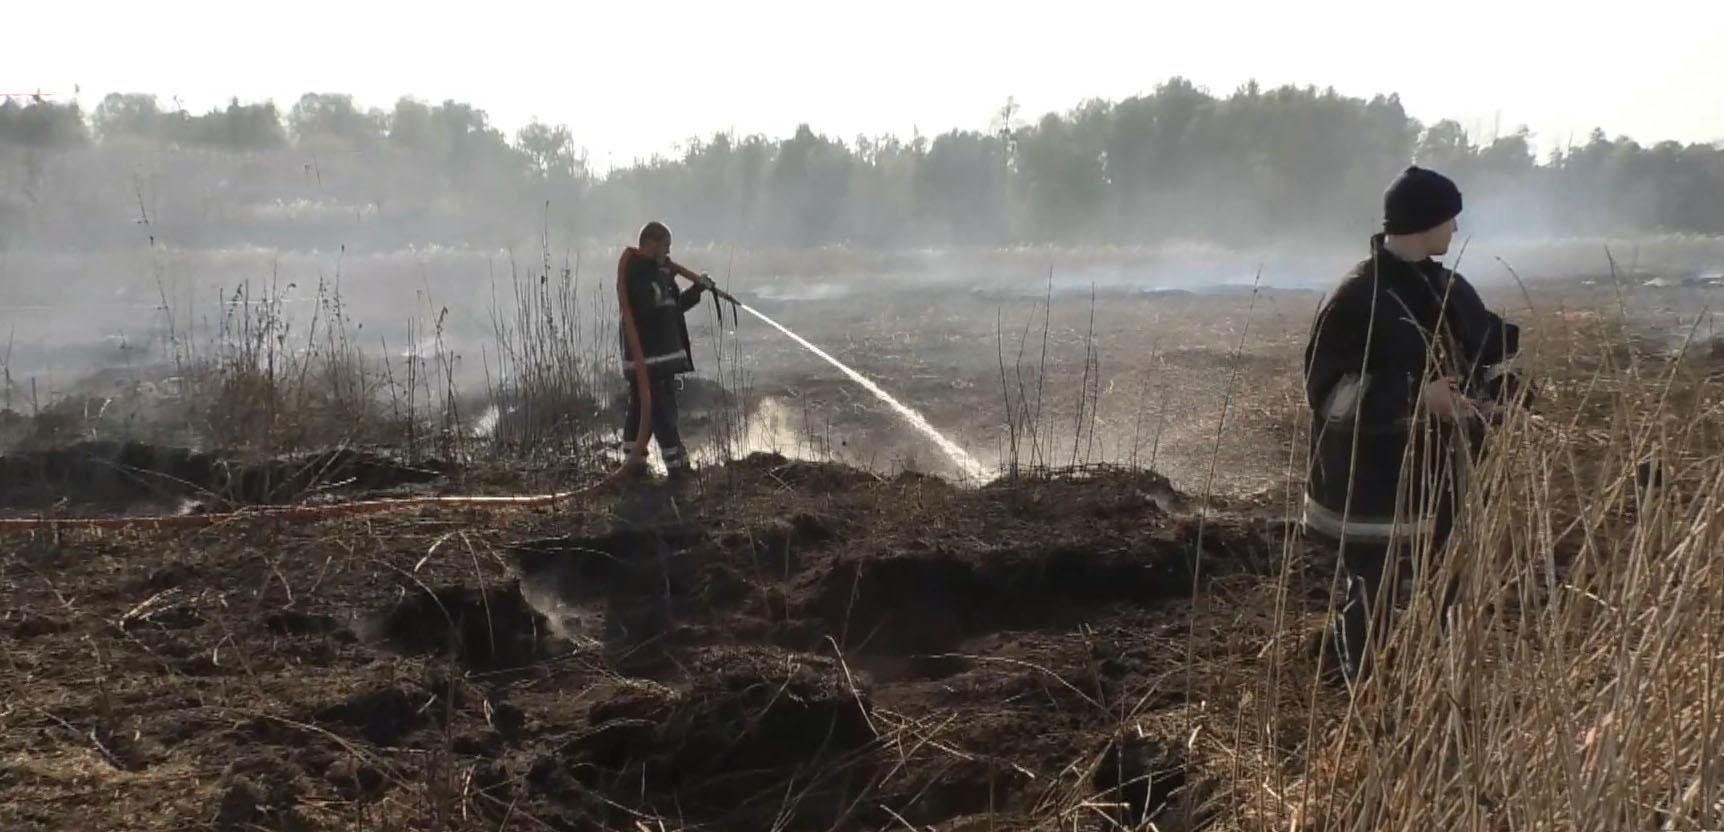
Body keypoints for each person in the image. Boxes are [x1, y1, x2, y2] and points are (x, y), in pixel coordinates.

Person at [1301, 165, 1528, 685]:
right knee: (1376, 593)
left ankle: (1441, 698)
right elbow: (1327, 393)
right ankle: (1365, 697)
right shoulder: (1357, 298)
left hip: (1441, 479)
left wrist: (1500, 398)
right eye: (1450, 219)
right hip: (1374, 486)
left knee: (1448, 588)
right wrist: (1416, 398)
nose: (1455, 230)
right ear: (1425, 221)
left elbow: (1483, 356)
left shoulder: (1449, 287)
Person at [616, 221, 715, 481]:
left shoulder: (655, 273)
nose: (668, 252)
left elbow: (675, 306)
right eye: (665, 246)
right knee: (662, 413)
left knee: (640, 410)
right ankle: (677, 467)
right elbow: (656, 308)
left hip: (656, 359)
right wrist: (664, 275)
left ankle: (633, 463)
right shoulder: (638, 272)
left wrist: (697, 290)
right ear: (650, 243)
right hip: (650, 359)